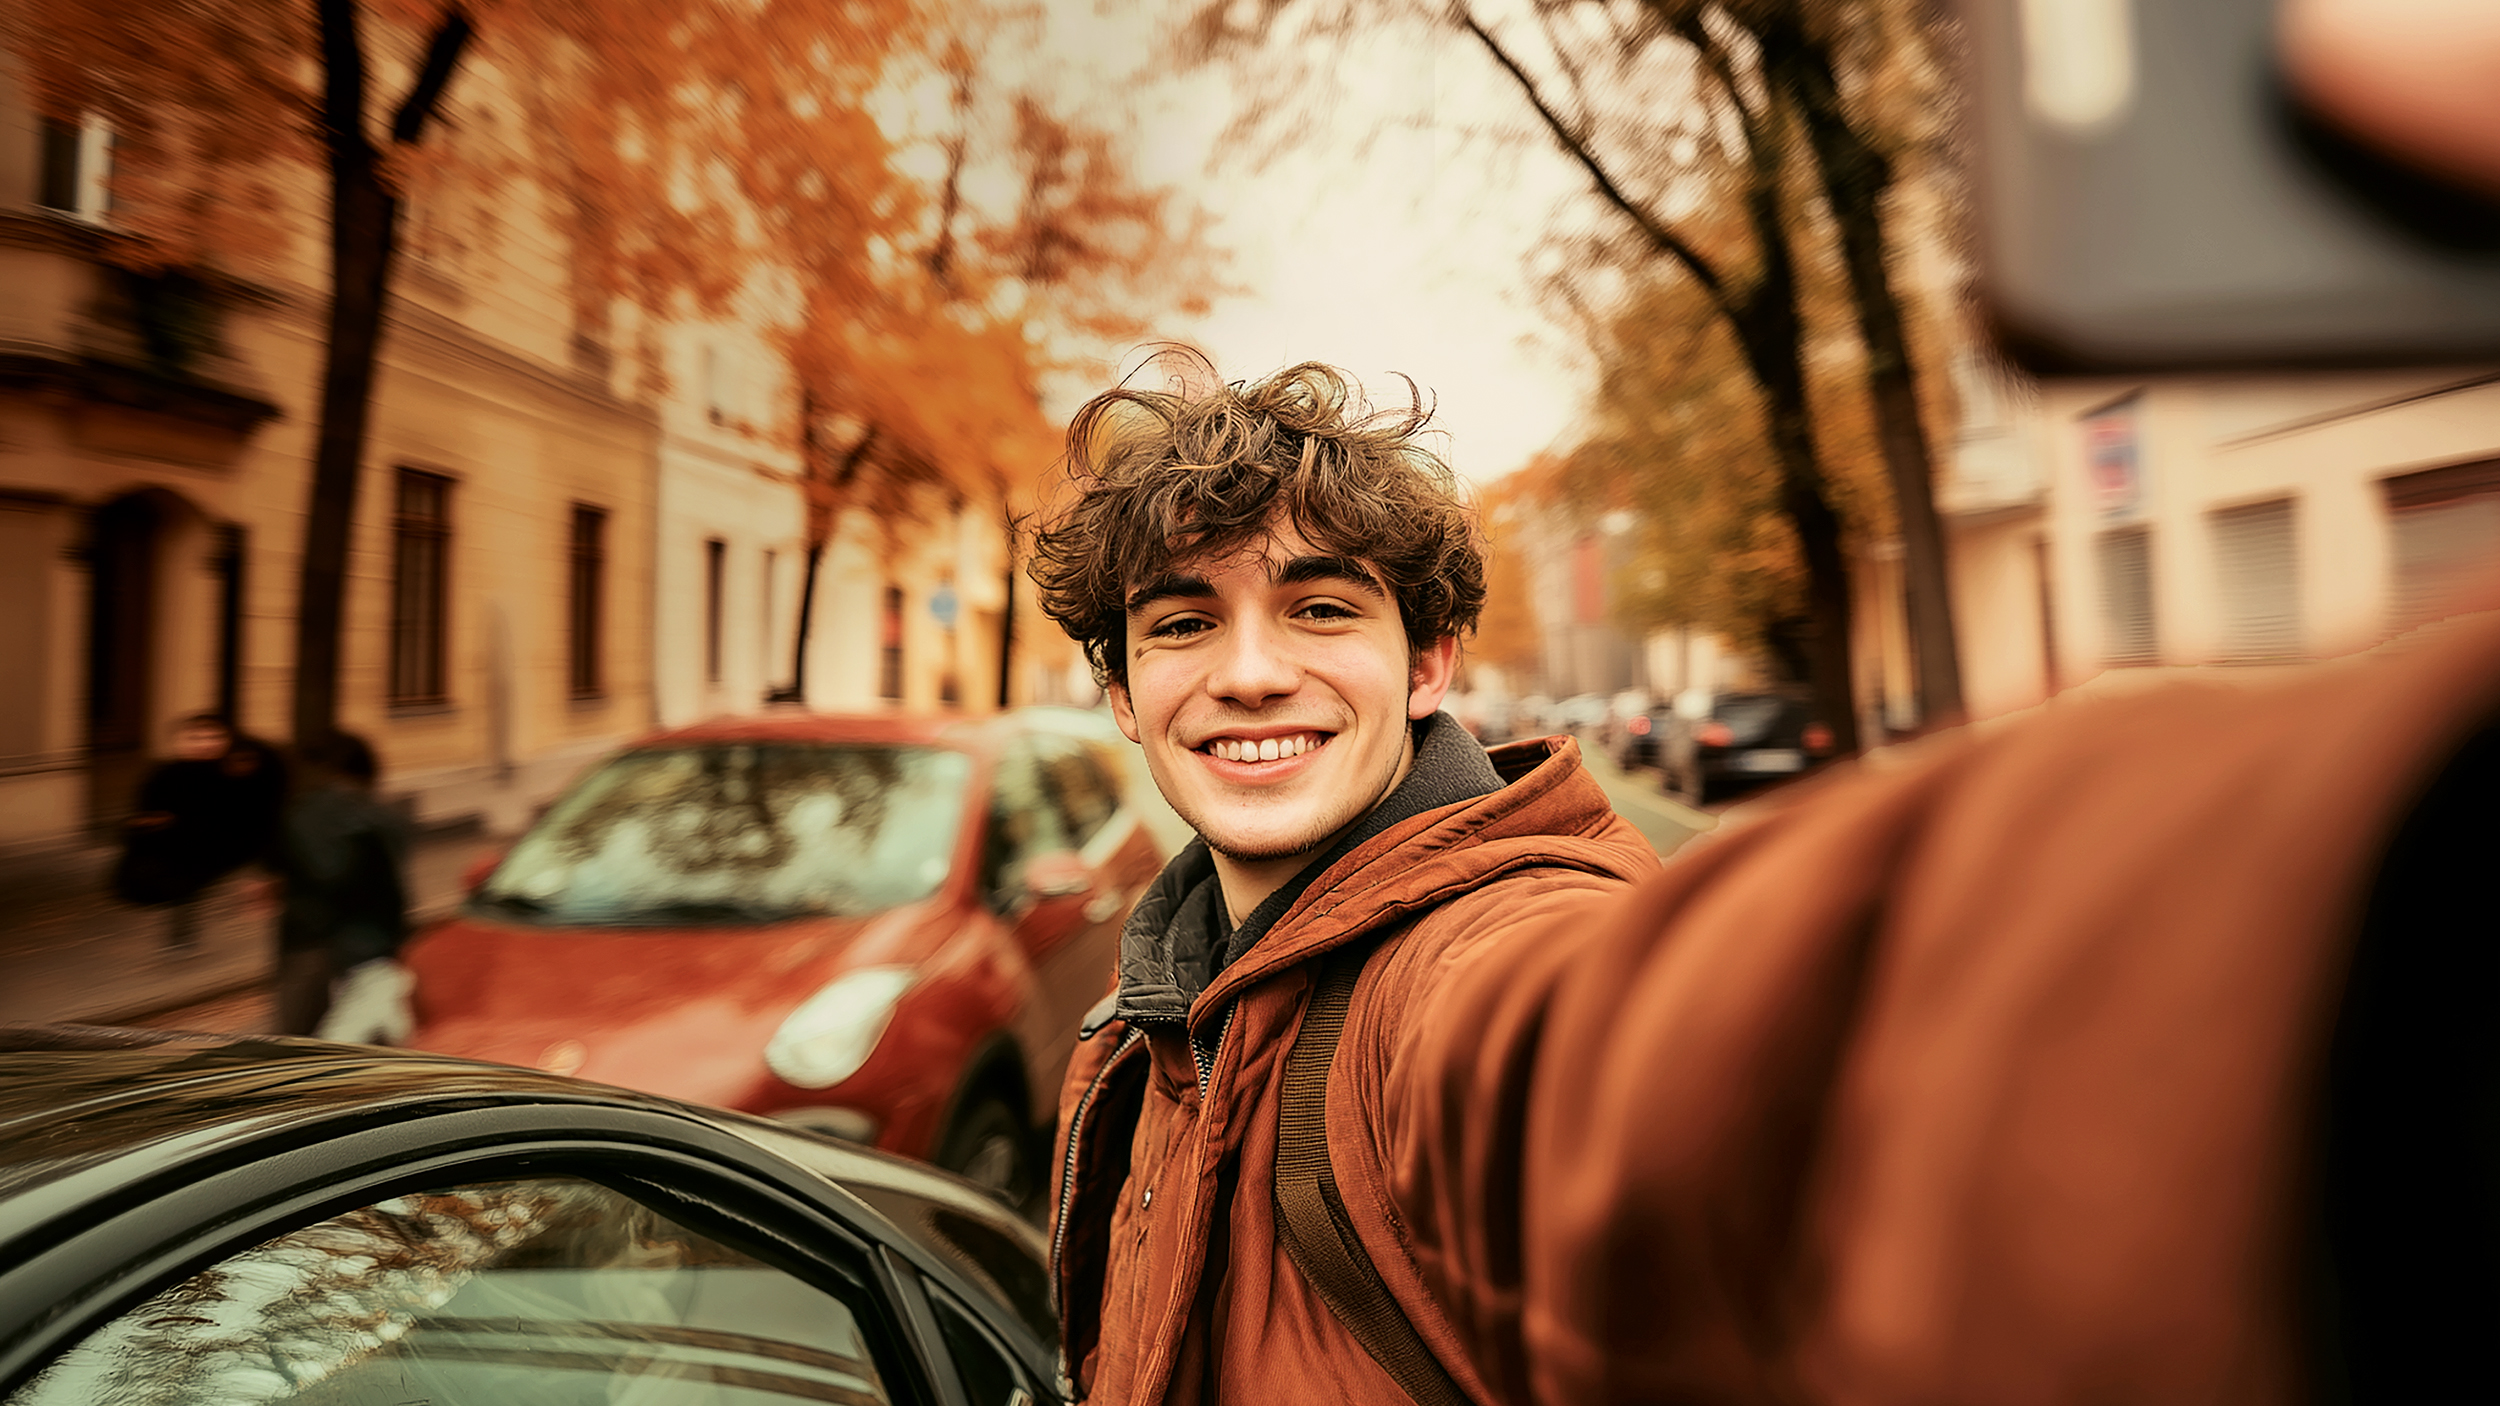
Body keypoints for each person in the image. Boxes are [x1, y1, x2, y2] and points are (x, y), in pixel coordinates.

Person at [1025, 361, 1659, 1403]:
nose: (1249, 673)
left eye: (1318, 608)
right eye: (1183, 624)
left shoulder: (1494, 954)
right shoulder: (1154, 1006)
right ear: (1124, 694)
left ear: (1426, 664)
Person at [271, 731, 412, 1041]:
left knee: (297, 1042)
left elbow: (310, 870)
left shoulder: (303, 813)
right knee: (374, 1041)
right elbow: (394, 889)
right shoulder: (386, 815)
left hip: (309, 943)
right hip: (372, 945)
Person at [114, 712, 288, 952]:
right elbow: (147, 813)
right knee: (185, 890)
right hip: (184, 851)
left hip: (233, 848)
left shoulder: (239, 769)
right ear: (181, 741)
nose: (206, 743)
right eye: (196, 737)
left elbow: (262, 812)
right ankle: (182, 937)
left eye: (214, 736)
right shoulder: (165, 775)